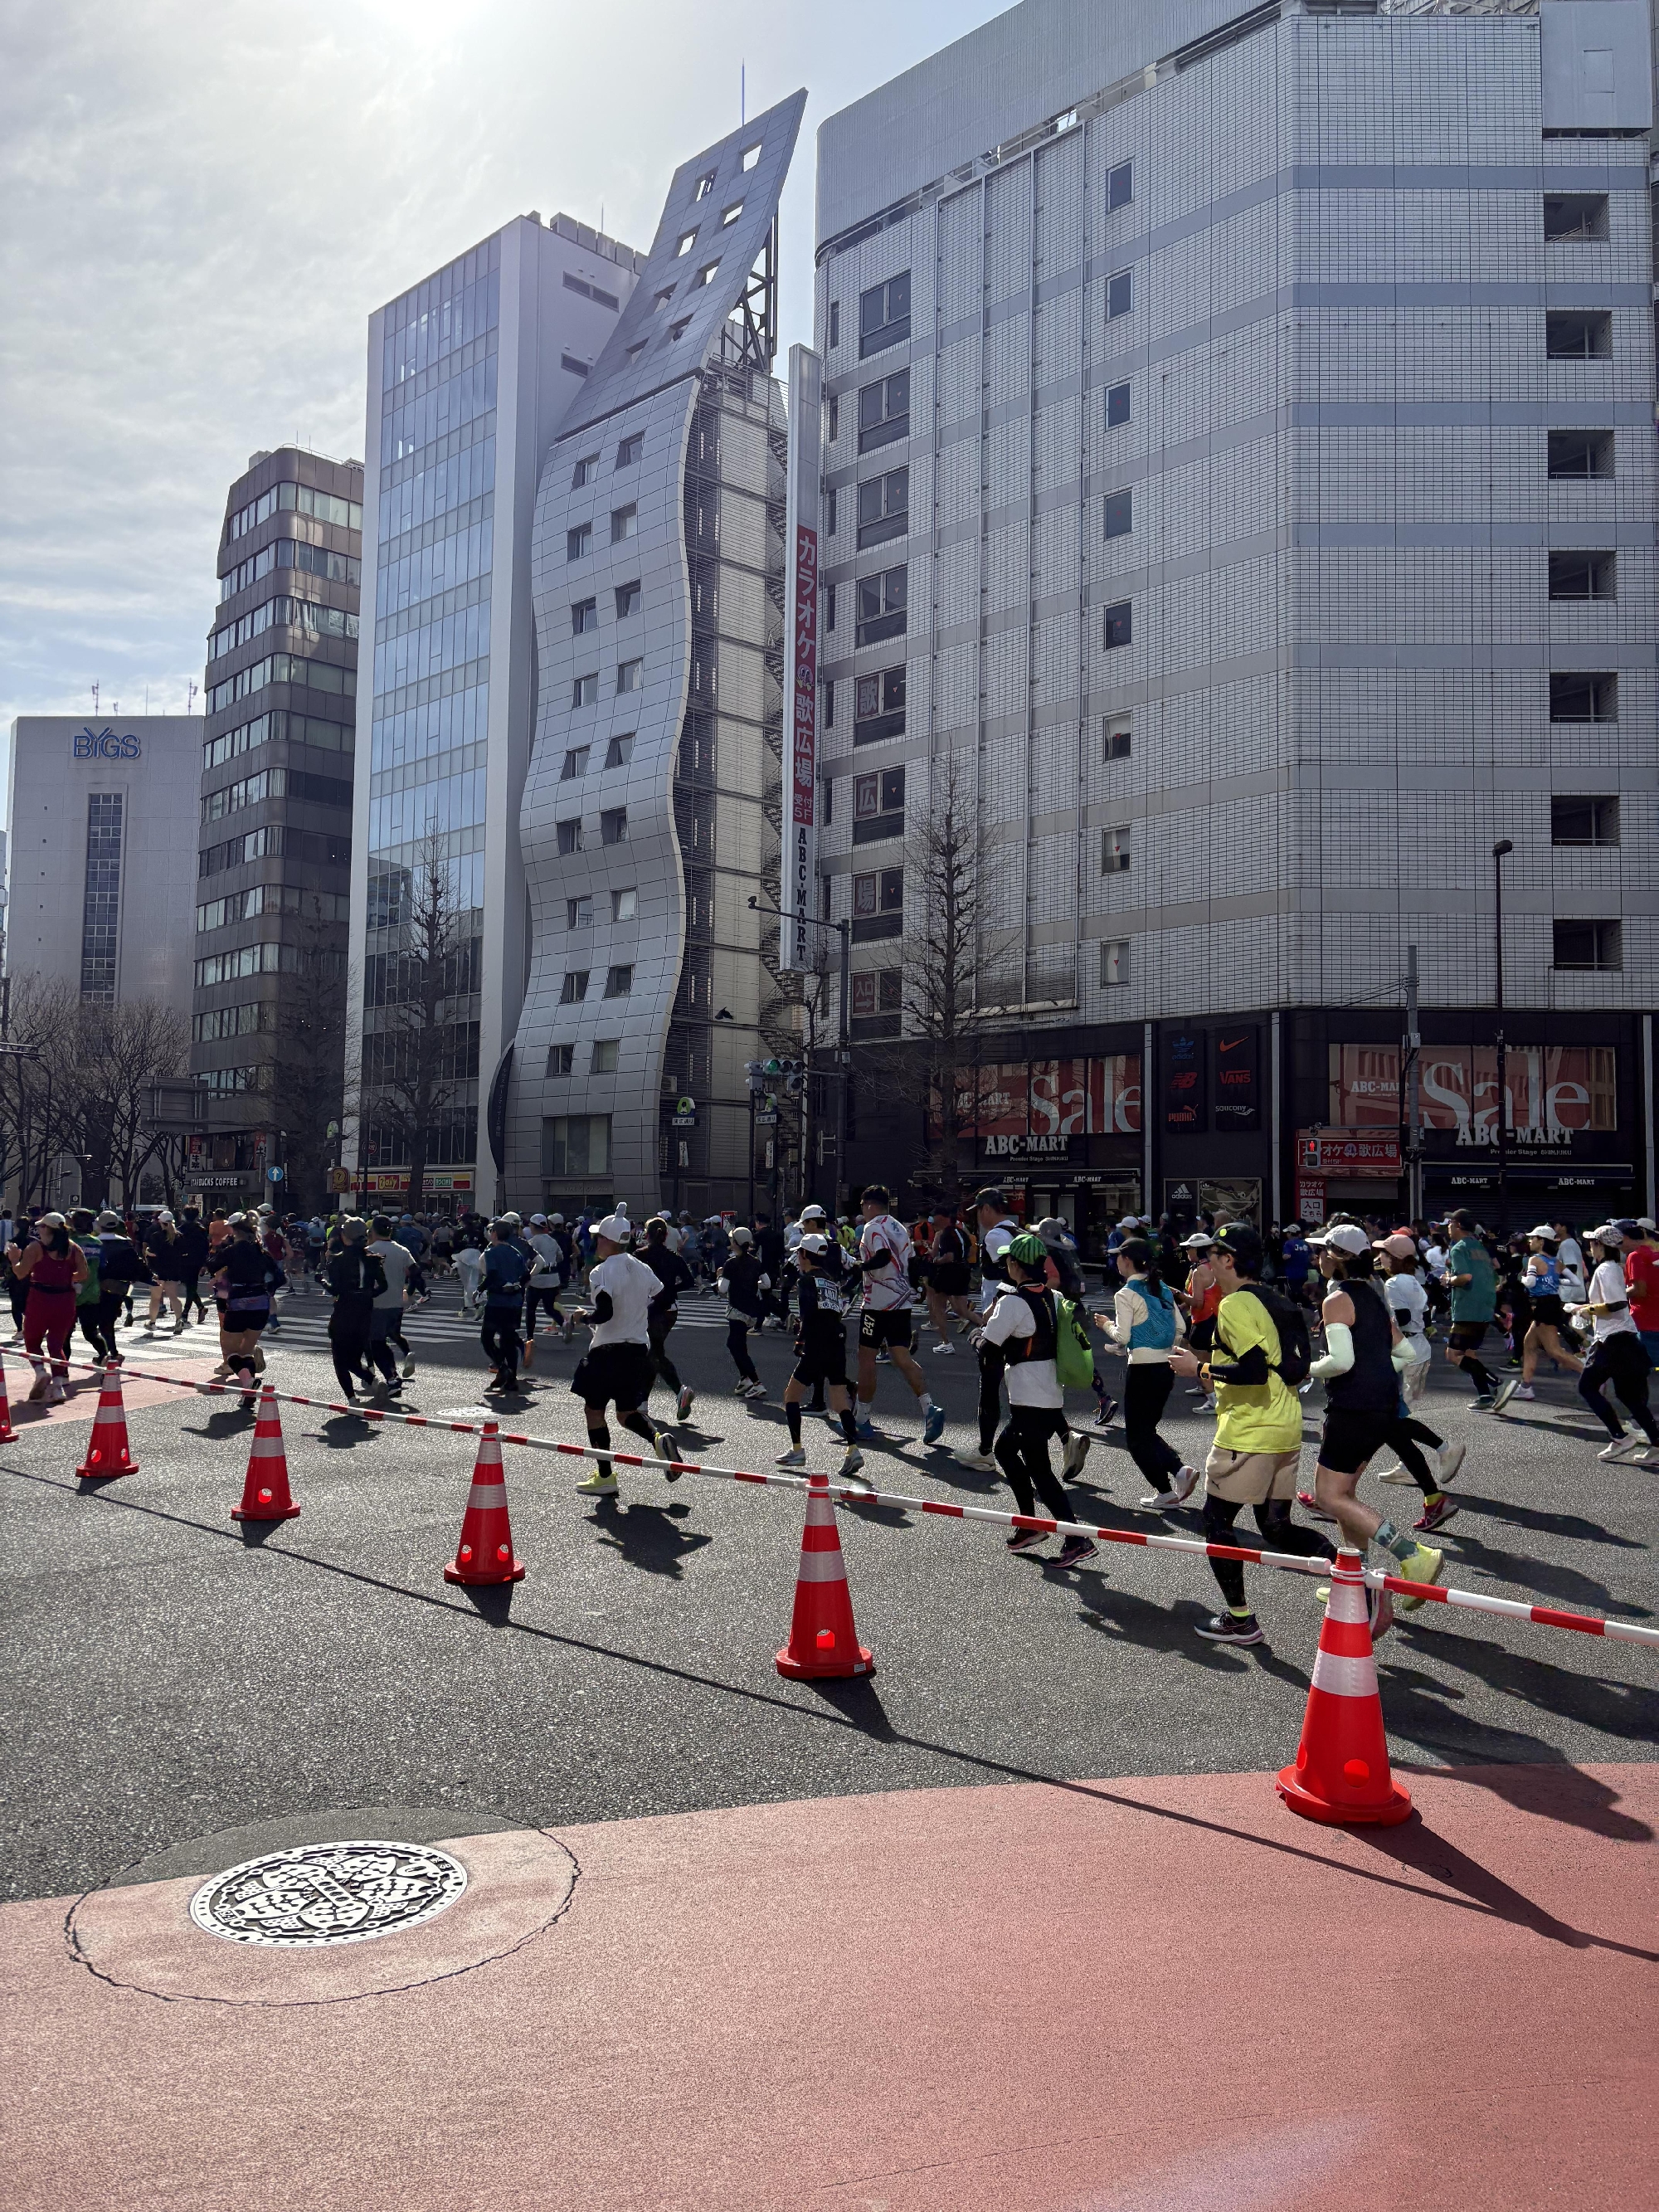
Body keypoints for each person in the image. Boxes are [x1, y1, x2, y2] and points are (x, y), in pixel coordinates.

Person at [1168, 1222, 1337, 1646]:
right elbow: (1292, 1366)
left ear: (1229, 1260)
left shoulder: (1238, 1305)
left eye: (1212, 1255)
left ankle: (1240, 1619)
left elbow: (1252, 1370)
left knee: (1216, 1518)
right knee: (1276, 1527)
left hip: (1249, 1428)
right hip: (1286, 1424)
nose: (1205, 1262)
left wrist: (1199, 1369)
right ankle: (1352, 1579)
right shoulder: (1276, 1299)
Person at [1305, 1223, 1444, 1610]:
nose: (1317, 1258)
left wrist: (1307, 1370)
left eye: (1321, 1251)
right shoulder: (1374, 1296)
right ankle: (1353, 1577)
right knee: (1345, 1496)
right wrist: (1374, 1365)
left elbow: (1341, 1361)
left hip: (1352, 1409)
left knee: (1329, 1497)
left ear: (1333, 1258)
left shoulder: (1336, 1300)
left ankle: (1412, 1554)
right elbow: (1405, 1355)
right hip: (1382, 1407)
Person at [980, 1233, 1097, 1569]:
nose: (1006, 1266)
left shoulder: (1013, 1302)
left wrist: (978, 1337)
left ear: (1015, 1265)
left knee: (1035, 1469)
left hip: (1028, 1396)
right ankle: (1031, 1524)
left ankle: (1074, 1538)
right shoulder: (1054, 1297)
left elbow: (989, 1346)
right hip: (1049, 1390)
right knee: (1024, 1460)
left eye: (1008, 1261)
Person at [569, 1212, 675, 1495]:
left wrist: (583, 1318)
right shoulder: (641, 1268)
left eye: (597, 1237)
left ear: (607, 1240)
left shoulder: (601, 1271)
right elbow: (664, 1297)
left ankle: (605, 1477)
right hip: (638, 1350)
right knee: (626, 1412)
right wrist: (639, 1314)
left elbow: (605, 1312)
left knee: (594, 1411)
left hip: (607, 1351)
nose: (595, 1242)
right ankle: (658, 1439)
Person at [1092, 1236, 1198, 1510]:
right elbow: (1180, 1327)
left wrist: (1106, 1325)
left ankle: (1166, 1492)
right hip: (1165, 1367)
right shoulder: (1161, 1287)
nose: (1115, 1261)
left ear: (1127, 1260)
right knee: (1146, 1430)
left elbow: (1124, 1335)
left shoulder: (1125, 1294)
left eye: (1118, 1256)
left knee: (1136, 1437)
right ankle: (1178, 1471)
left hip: (1142, 1370)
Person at [1371, 1232, 1466, 1519]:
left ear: (1395, 1258)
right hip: (1418, 1347)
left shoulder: (1393, 1282)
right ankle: (1410, 1464)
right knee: (1394, 1413)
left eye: (1384, 1254)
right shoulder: (1414, 1280)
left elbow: (1398, 1319)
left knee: (1390, 1414)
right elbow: (1421, 1316)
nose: (1380, 1258)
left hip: (1403, 1349)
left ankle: (1443, 1448)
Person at [851, 1185, 945, 1445]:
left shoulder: (872, 1228)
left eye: (862, 1205)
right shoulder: (899, 1227)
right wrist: (916, 1286)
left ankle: (862, 1419)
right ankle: (929, 1409)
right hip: (901, 1303)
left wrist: (860, 1266)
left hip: (877, 1304)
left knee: (867, 1359)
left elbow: (882, 1256)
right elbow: (912, 1262)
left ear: (869, 1204)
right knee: (902, 1357)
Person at [774, 1232, 867, 1482]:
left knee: (791, 1396)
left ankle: (796, 1450)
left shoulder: (806, 1281)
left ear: (804, 1254)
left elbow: (808, 1314)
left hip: (817, 1342)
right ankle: (852, 1449)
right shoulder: (830, 1281)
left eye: (799, 1254)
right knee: (839, 1401)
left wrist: (800, 1340)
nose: (798, 1258)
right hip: (837, 1339)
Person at [1575, 1224, 1659, 1463]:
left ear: (1599, 1245)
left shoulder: (1605, 1270)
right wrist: (1584, 1309)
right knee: (1628, 1395)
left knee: (1587, 1387)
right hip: (1625, 1338)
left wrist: (1585, 1310)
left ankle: (1619, 1436)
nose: (1589, 1247)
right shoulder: (1614, 1268)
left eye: (1592, 1242)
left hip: (1613, 1339)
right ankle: (1656, 1442)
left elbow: (1617, 1304)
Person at [1495, 1227, 1583, 1407]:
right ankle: (1526, 1386)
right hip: (1552, 1303)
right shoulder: (1555, 1262)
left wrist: (1522, 1279)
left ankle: (1591, 1374)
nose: (1530, 1241)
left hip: (1541, 1305)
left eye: (1533, 1238)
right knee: (1529, 1344)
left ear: (1541, 1241)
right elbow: (1575, 1281)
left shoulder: (1535, 1260)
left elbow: (1531, 1282)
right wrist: (1555, 1280)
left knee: (1553, 1350)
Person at [10, 1212, 88, 1401]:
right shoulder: (73, 1248)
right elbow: (84, 1274)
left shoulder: (36, 1248)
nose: (38, 1229)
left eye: (40, 1226)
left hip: (40, 1298)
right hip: (65, 1300)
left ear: (47, 1229)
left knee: (32, 1340)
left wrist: (14, 1259)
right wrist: (67, 1277)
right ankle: (58, 1387)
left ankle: (40, 1372)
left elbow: (21, 1273)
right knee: (56, 1343)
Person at [639, 1215, 696, 1422]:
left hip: (647, 1308)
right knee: (654, 1351)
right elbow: (689, 1282)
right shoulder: (674, 1257)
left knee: (653, 1353)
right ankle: (644, 1401)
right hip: (670, 1309)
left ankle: (677, 1391)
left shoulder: (640, 1255)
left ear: (647, 1234)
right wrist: (671, 1289)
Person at [1442, 1207, 1501, 1406]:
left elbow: (1465, 1278)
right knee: (1469, 1353)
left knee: (1453, 1353)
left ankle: (1496, 1383)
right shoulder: (1480, 1248)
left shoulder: (1458, 1248)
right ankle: (1485, 1396)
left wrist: (1449, 1280)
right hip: (1485, 1307)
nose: (1448, 1227)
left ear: (1458, 1225)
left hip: (1468, 1308)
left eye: (1450, 1223)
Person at [324, 1219, 385, 1403]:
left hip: (344, 1311)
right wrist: (367, 1295)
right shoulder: (373, 1259)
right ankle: (372, 1381)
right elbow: (384, 1286)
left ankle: (352, 1397)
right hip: (365, 1311)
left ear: (344, 1236)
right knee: (354, 1357)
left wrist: (321, 1282)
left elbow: (335, 1290)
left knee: (339, 1357)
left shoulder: (337, 1260)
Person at [215, 1215, 273, 1394]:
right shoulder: (262, 1252)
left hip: (238, 1302)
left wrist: (223, 1247)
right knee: (247, 1351)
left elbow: (211, 1265)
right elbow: (279, 1277)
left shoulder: (232, 1250)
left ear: (234, 1231)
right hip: (261, 1303)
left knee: (230, 1351)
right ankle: (249, 1395)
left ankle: (248, 1381)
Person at [718, 1225, 770, 1398]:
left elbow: (723, 1289)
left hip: (737, 1309)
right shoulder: (755, 1262)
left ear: (735, 1243)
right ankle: (744, 1378)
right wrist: (754, 1284)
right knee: (738, 1344)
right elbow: (767, 1284)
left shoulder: (730, 1264)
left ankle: (756, 1382)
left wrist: (719, 1277)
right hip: (752, 1309)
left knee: (735, 1345)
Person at [366, 1216, 417, 1391]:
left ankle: (391, 1378)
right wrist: (410, 1292)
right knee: (392, 1334)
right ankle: (406, 1355)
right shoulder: (402, 1251)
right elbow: (415, 1273)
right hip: (396, 1303)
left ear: (373, 1231)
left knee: (376, 1343)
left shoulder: (369, 1251)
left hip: (376, 1303)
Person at [479, 1220, 529, 1393]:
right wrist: (517, 1287)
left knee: (487, 1338)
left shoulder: (491, 1252)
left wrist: (480, 1289)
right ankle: (511, 1378)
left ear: (494, 1234)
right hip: (514, 1302)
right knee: (507, 1339)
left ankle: (503, 1367)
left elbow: (492, 1274)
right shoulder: (515, 1252)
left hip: (497, 1301)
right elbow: (526, 1275)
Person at [92, 1210, 144, 1364]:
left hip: (95, 1287)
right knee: (108, 1322)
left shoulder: (94, 1241)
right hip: (118, 1287)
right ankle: (112, 1353)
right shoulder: (124, 1242)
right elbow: (135, 1264)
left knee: (96, 1324)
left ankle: (107, 1354)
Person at [922, 1201, 975, 1350]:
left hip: (948, 1271)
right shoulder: (961, 1232)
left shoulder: (945, 1234)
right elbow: (970, 1252)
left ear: (942, 1217)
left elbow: (949, 1257)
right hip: (964, 1269)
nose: (932, 1219)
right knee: (962, 1309)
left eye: (934, 1216)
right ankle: (984, 1327)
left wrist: (937, 1261)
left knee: (938, 1305)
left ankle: (946, 1343)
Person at [68, 1208, 110, 1367]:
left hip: (69, 1294)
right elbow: (103, 1268)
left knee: (65, 1334)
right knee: (91, 1333)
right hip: (92, 1293)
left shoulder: (68, 1243)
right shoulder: (97, 1243)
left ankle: (63, 1371)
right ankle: (104, 1357)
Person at [522, 1214, 566, 1367]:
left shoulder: (532, 1241)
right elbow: (560, 1257)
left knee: (531, 1310)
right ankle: (564, 1324)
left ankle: (529, 1337)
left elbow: (528, 1261)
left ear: (533, 1227)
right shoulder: (552, 1240)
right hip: (553, 1279)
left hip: (537, 1280)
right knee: (549, 1307)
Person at [1622, 1217, 1659, 1369]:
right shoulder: (1655, 1255)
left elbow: (1639, 1290)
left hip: (1643, 1320)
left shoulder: (1636, 1256)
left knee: (1644, 1371)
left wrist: (1618, 1294)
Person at [142, 1211, 188, 1332]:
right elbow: (184, 1253)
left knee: (155, 1298)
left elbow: (153, 1253)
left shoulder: (156, 1236)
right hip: (173, 1270)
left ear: (160, 1222)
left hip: (157, 1270)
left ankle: (152, 1322)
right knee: (173, 1297)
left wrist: (146, 1252)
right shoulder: (179, 1236)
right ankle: (179, 1320)